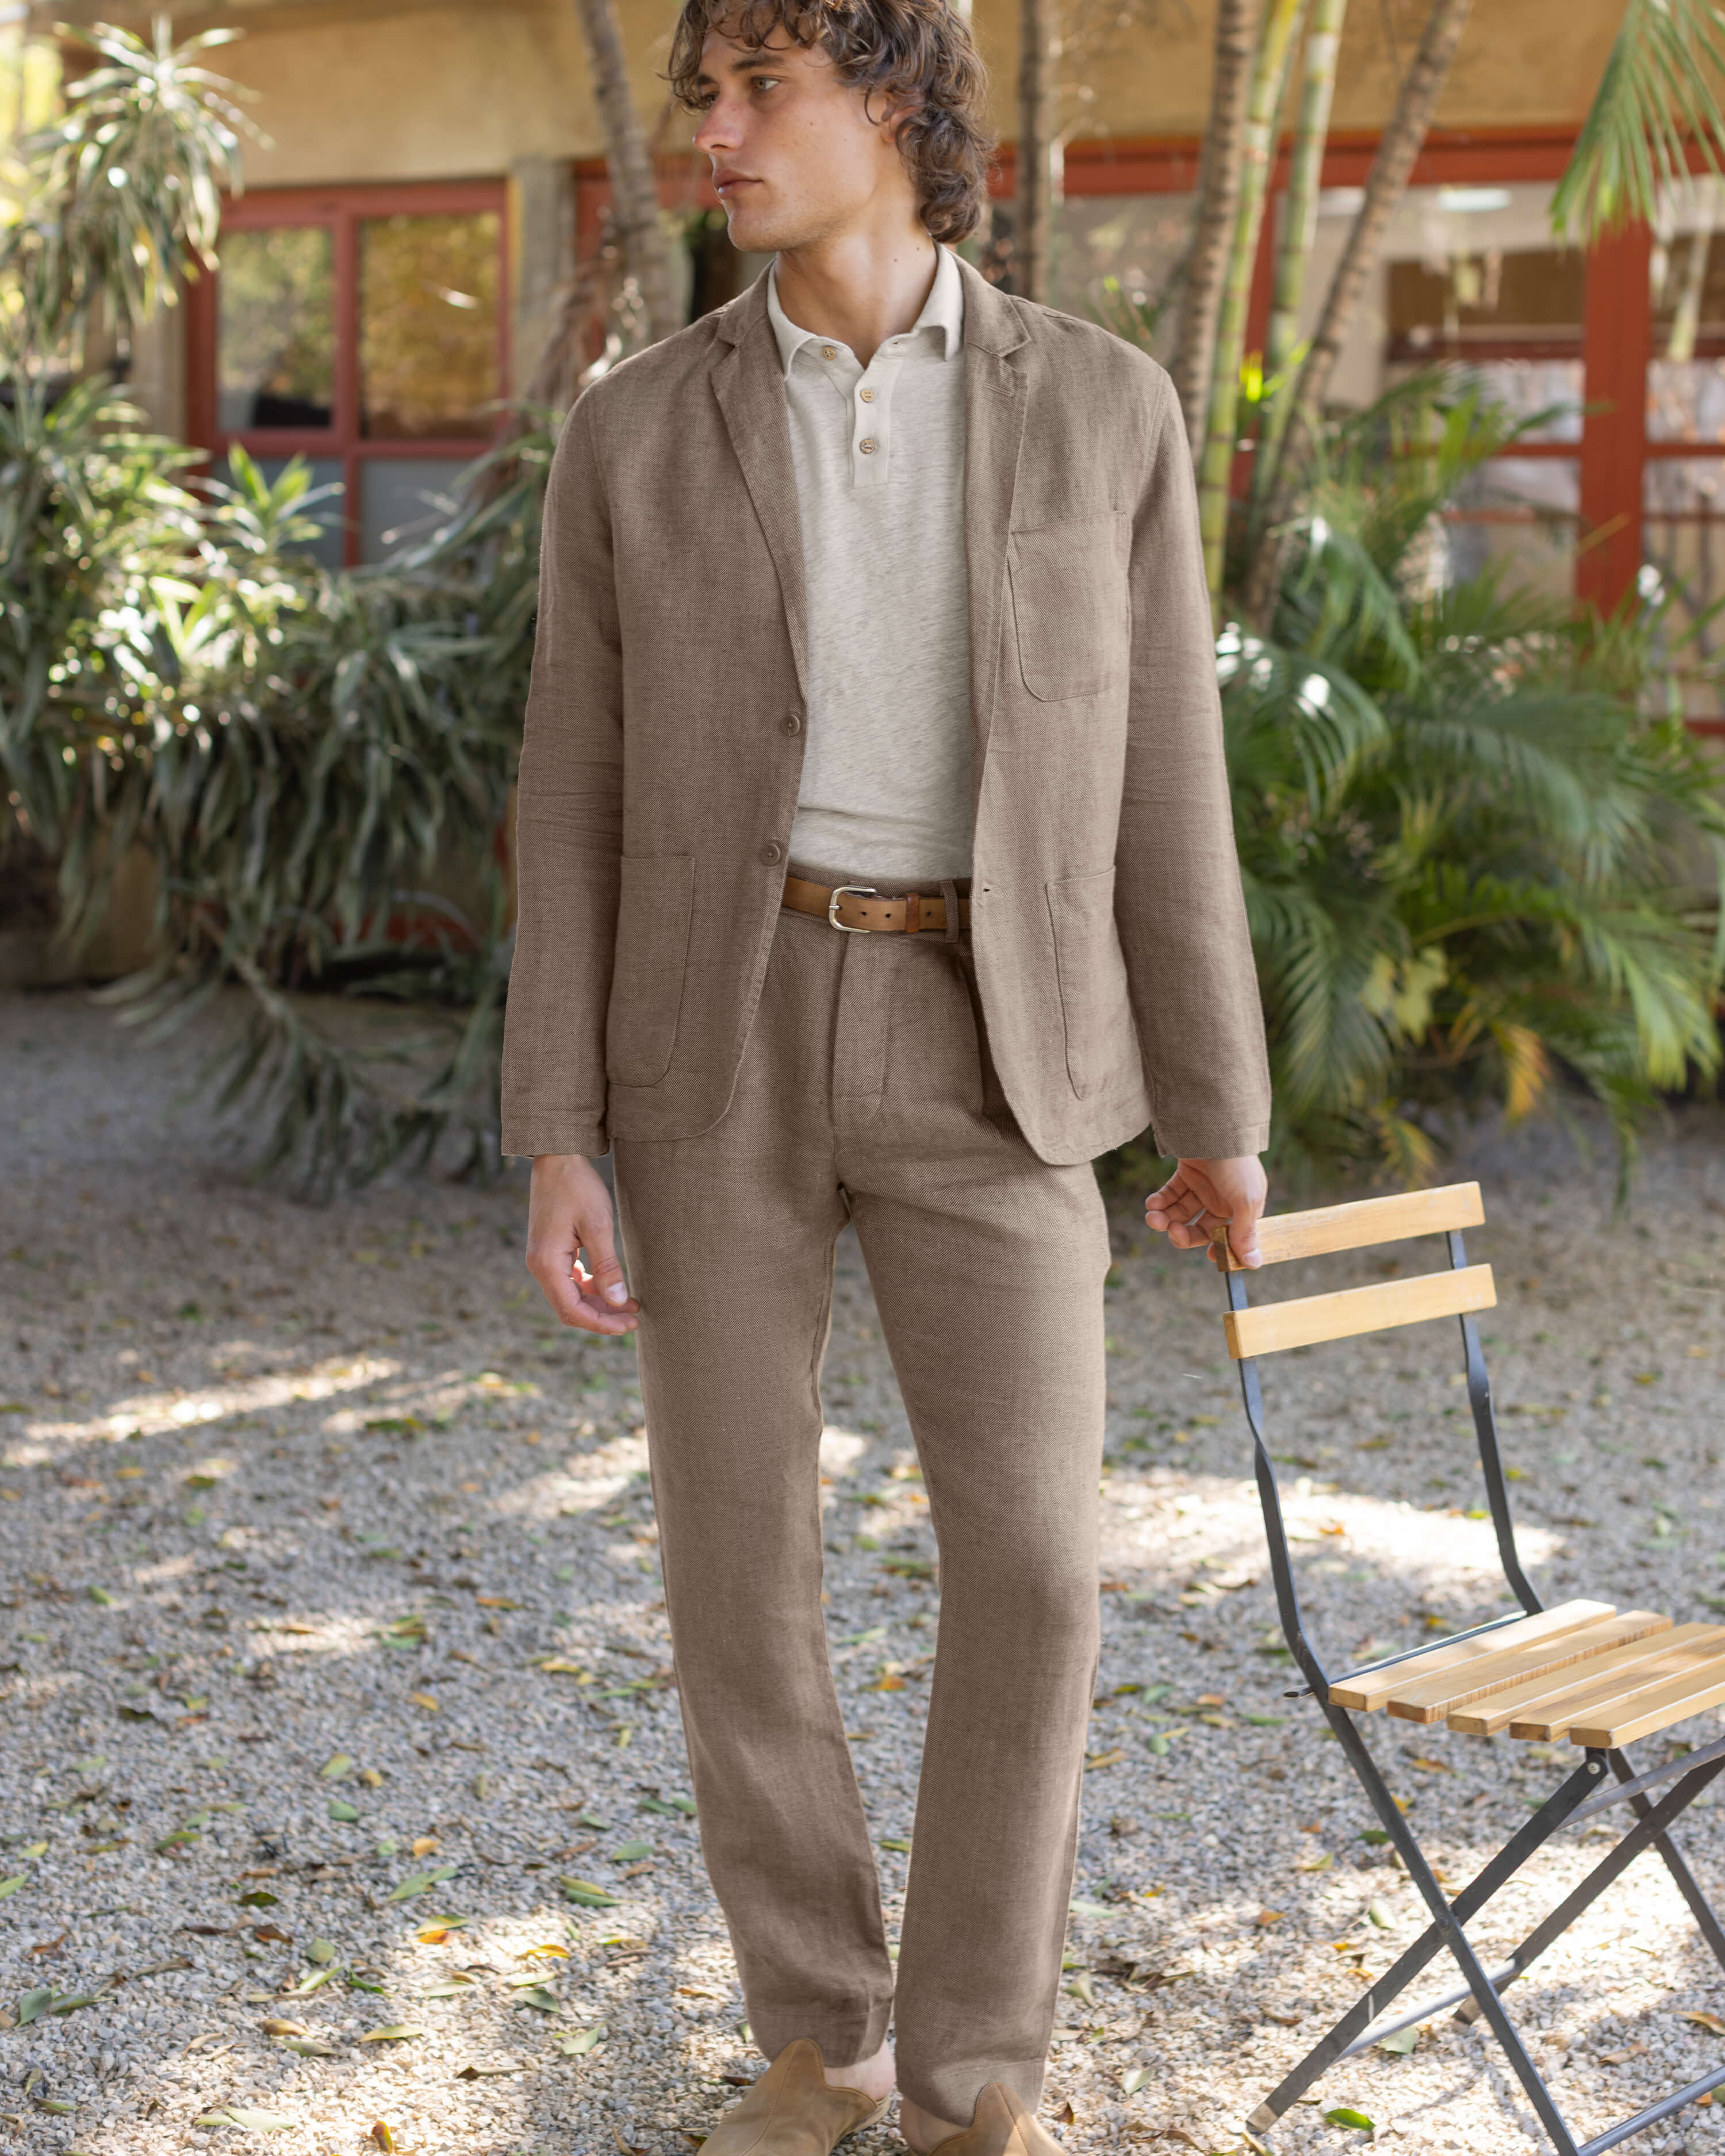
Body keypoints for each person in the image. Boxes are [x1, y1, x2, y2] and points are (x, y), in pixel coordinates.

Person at [503, 0, 1270, 2145]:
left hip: (998, 1037)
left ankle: (976, 2069)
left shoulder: (1103, 407)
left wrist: (1217, 1114)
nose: (717, 132)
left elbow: (1167, 777)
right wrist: (555, 1129)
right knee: (736, 1571)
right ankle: (823, 2031)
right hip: (717, 1031)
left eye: (762, 88)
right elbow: (569, 790)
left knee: (1035, 1563)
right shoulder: (636, 427)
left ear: (897, 105)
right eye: (705, 95)